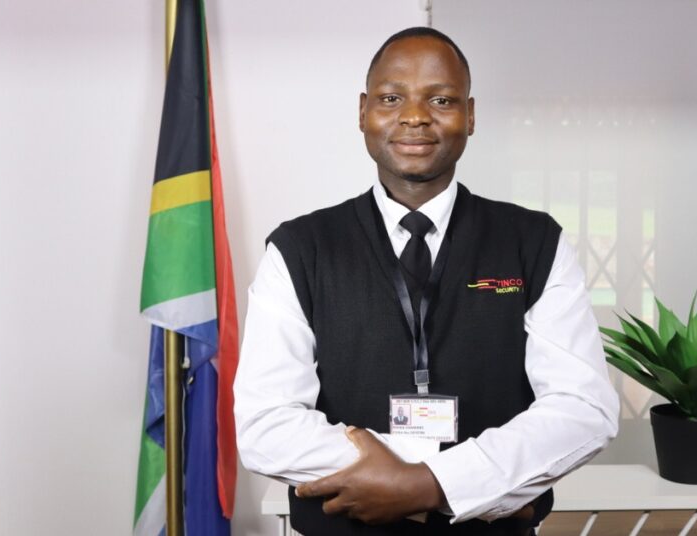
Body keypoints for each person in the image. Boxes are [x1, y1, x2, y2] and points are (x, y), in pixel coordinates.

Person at [234, 27, 620, 535]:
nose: (415, 116)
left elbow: (583, 407)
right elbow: (266, 426)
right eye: (391, 98)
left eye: (441, 99)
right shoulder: (299, 248)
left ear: (471, 115)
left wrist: (426, 485)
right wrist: (465, 484)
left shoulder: (534, 242)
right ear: (362, 112)